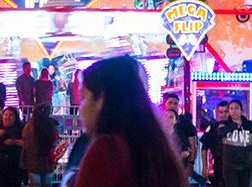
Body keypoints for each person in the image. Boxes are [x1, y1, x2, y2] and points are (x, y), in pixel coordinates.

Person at [68, 55, 184, 187]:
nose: (81, 109)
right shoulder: (158, 148)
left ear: (102, 100)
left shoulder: (107, 150)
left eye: (84, 98)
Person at [0, 107, 27, 187]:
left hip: (15, 162)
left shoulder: (21, 127)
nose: (8, 117)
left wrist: (14, 142)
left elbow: (27, 143)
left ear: (15, 117)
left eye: (11, 115)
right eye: (6, 115)